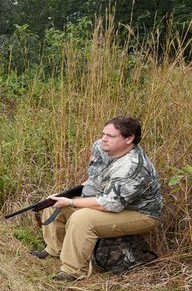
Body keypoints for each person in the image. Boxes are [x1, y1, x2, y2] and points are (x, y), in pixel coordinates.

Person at [31, 116, 163, 281]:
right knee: (54, 203)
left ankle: (72, 272)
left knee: (83, 219)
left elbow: (111, 204)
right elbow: (94, 180)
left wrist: (72, 202)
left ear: (129, 139)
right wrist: (67, 196)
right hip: (108, 198)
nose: (103, 139)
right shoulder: (101, 147)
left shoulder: (133, 167)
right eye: (103, 134)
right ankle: (54, 249)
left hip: (140, 213)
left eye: (111, 136)